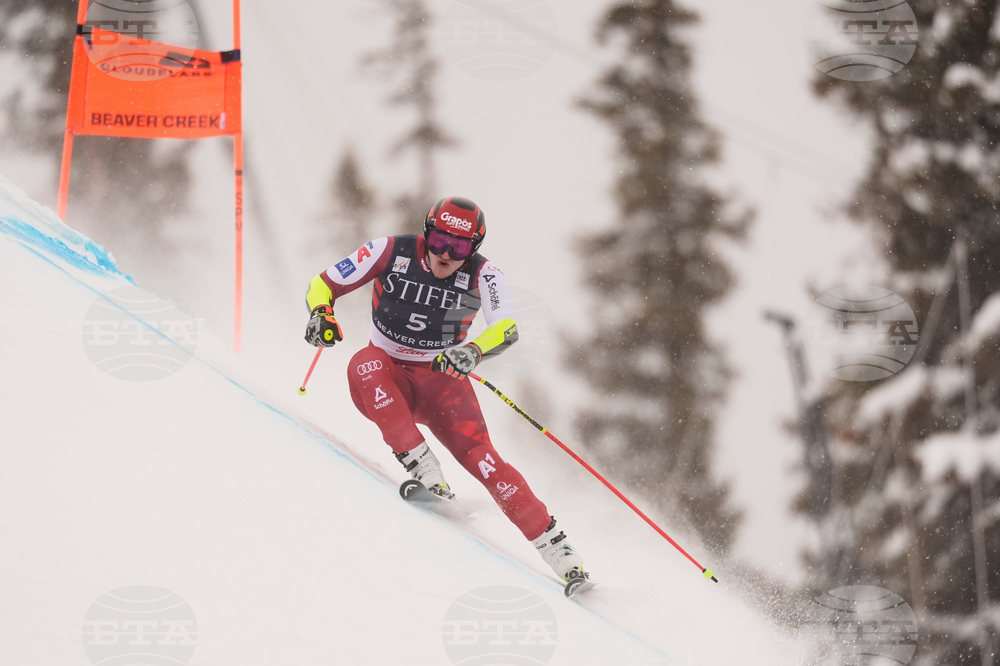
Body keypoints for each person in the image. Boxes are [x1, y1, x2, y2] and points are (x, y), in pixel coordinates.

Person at [303, 196, 589, 585]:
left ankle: (561, 553)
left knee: (486, 461)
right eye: (439, 241)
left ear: (474, 248)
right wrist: (322, 313)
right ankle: (425, 470)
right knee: (365, 363)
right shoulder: (390, 250)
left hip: (441, 381)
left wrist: (473, 351)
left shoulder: (485, 274)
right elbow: (323, 284)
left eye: (459, 248)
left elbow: (505, 328)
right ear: (427, 233)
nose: (446, 255)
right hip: (386, 377)